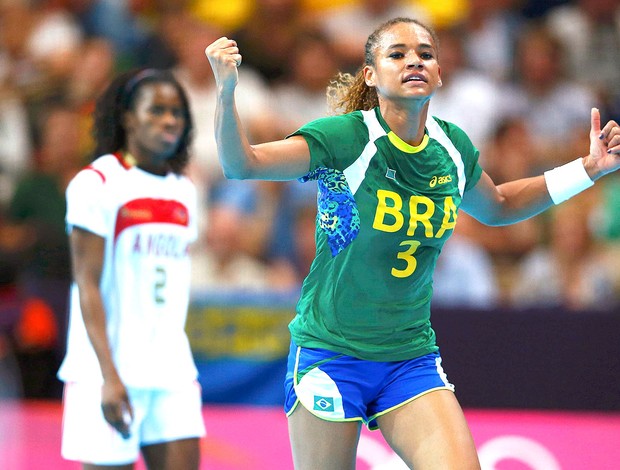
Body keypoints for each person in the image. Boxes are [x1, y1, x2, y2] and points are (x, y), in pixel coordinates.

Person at [205, 16, 620, 469]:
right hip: (331, 353)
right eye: (397, 54)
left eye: (425, 53)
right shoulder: (346, 139)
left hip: (409, 357)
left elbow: (498, 205)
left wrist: (587, 169)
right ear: (371, 75)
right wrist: (226, 93)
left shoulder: (452, 147)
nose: (414, 61)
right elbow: (241, 164)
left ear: (439, 74)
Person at [56, 68, 205, 469]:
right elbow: (86, 284)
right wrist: (109, 375)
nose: (170, 120)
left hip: (171, 367)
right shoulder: (98, 183)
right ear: (126, 117)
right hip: (109, 370)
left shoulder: (184, 191)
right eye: (156, 110)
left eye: (176, 112)